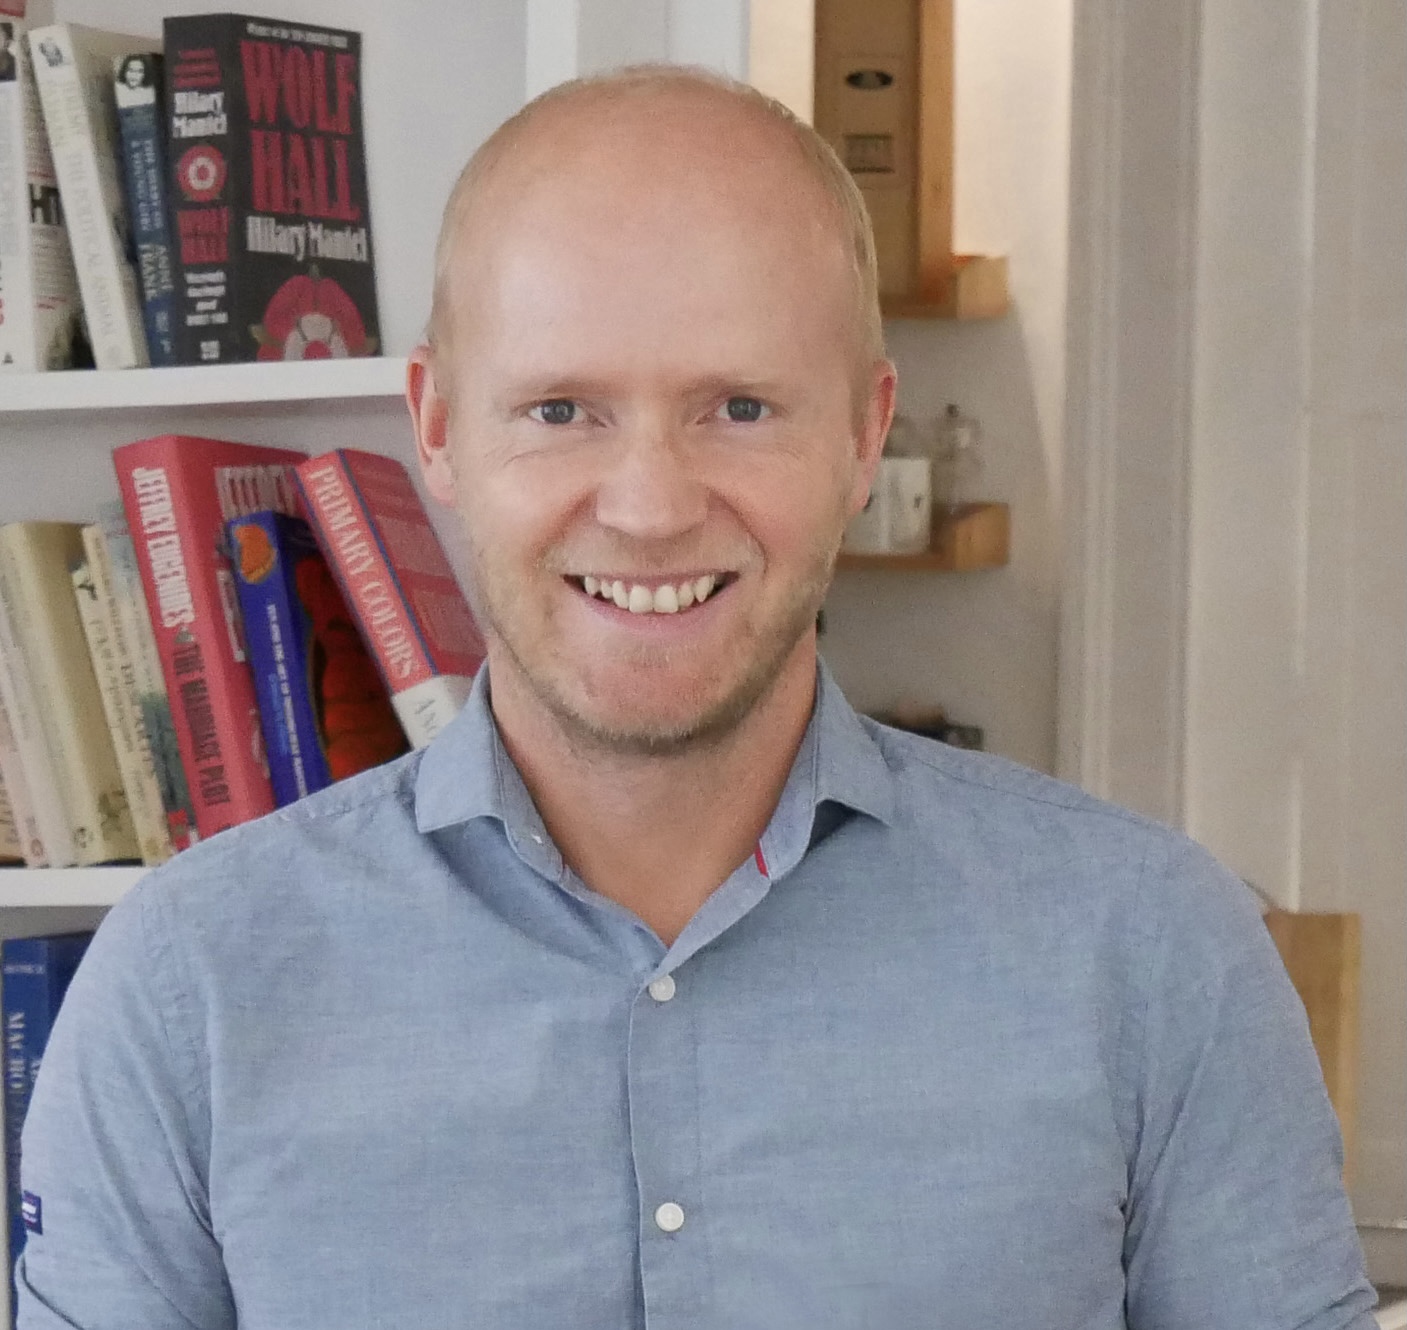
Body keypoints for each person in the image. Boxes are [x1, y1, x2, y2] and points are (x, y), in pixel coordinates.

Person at [17, 66, 1378, 1330]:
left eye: (737, 406)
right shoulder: (185, 986)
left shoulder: (1155, 953)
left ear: (863, 433)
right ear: (434, 427)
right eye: (561, 410)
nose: (653, 506)